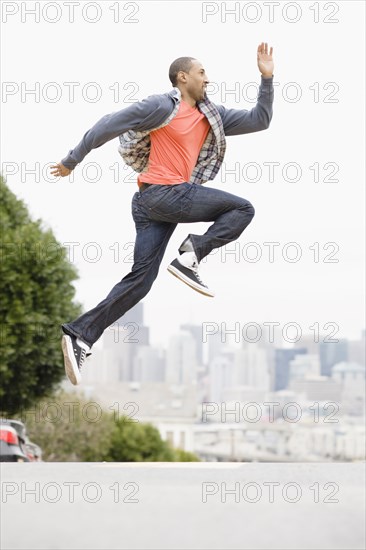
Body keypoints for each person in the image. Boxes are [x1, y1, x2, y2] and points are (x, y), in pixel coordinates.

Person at [51, 42, 274, 385]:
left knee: (141, 282)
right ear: (182, 77)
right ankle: (192, 254)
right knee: (242, 208)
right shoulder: (160, 106)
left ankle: (80, 334)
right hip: (163, 194)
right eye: (202, 73)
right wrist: (72, 159)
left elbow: (260, 120)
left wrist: (267, 79)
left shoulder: (211, 115)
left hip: (151, 204)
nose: (207, 79)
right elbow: (106, 125)